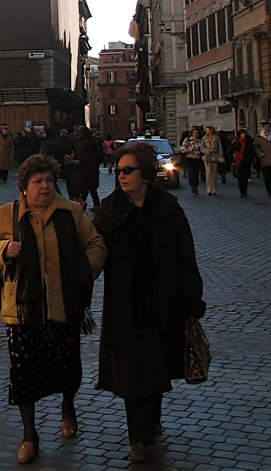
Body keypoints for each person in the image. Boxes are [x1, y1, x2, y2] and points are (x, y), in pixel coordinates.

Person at [0, 154, 106, 465]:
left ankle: (68, 406)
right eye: (38, 181)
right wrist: (4, 250)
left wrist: (82, 272)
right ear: (24, 187)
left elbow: (97, 245)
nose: (45, 186)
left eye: (49, 180)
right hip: (22, 308)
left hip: (63, 304)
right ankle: (29, 435)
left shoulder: (72, 213)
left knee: (68, 366)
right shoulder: (6, 215)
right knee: (23, 372)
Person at [93, 143, 205, 464]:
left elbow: (185, 255)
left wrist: (190, 299)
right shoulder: (110, 210)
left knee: (157, 366)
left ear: (145, 173)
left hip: (163, 301)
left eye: (128, 170)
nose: (122, 176)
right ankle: (137, 438)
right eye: (118, 171)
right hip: (125, 306)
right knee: (133, 371)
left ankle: (151, 420)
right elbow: (91, 251)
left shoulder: (167, 208)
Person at [73, 126, 102, 210]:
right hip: (93, 167)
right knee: (90, 186)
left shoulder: (83, 143)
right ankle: (84, 203)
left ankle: (82, 203)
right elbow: (100, 155)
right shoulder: (94, 141)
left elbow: (81, 156)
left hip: (85, 167)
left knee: (87, 186)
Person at [254, 120, 271, 196]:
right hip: (265, 159)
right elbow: (256, 146)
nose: (267, 128)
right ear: (263, 128)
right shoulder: (259, 137)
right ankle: (269, 191)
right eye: (265, 127)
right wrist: (259, 153)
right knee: (267, 177)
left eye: (268, 127)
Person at [232, 129, 256, 198]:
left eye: (244, 134)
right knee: (240, 178)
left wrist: (251, 160)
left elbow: (252, 151)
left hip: (246, 162)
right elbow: (230, 151)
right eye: (242, 134)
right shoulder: (236, 142)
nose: (243, 135)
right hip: (238, 162)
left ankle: (245, 191)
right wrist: (232, 161)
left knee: (245, 177)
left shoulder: (248, 142)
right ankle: (242, 191)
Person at [181, 127, 204, 194]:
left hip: (197, 158)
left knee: (196, 172)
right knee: (191, 172)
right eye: (194, 132)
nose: (195, 134)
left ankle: (196, 185)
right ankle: (192, 186)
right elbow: (182, 148)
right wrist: (187, 150)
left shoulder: (200, 141)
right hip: (190, 157)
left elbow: (202, 149)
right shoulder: (187, 140)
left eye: (197, 133)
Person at [201, 125, 221, 196]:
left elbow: (220, 148)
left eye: (207, 130)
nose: (206, 131)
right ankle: (208, 188)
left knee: (214, 173)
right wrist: (206, 151)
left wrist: (220, 156)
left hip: (214, 156)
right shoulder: (204, 138)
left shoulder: (216, 138)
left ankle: (214, 188)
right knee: (208, 173)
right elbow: (202, 148)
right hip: (207, 156)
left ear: (211, 131)